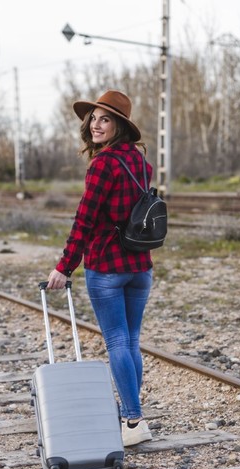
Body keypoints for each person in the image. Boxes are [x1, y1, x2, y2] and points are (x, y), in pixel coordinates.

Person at [45, 89, 154, 447]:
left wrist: (65, 267)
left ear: (119, 125)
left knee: (119, 342)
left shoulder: (102, 165)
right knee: (131, 342)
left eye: (104, 118)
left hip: (107, 267)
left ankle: (133, 420)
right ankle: (133, 413)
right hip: (140, 266)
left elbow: (85, 220)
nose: (95, 124)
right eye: (93, 118)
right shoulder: (141, 162)